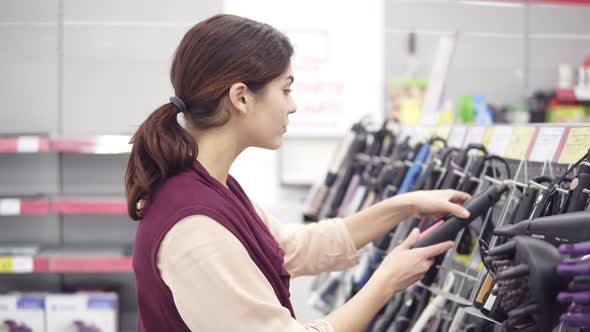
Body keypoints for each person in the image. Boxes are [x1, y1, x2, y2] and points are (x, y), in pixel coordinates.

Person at [125, 14, 471, 332]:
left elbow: (292, 247)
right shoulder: (195, 227)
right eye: (285, 89)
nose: (293, 105)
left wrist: (405, 206)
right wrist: (384, 284)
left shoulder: (214, 187)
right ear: (241, 98)